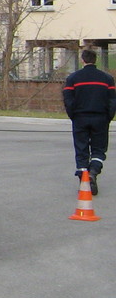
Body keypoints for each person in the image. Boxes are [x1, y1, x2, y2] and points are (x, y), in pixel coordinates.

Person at [62, 48, 116, 195]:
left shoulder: (73, 78)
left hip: (80, 118)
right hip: (100, 118)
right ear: (95, 60)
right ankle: (93, 171)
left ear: (82, 60)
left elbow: (68, 99)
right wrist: (108, 117)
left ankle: (84, 179)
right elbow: (112, 100)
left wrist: (73, 115)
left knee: (81, 149)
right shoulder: (107, 79)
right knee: (99, 149)